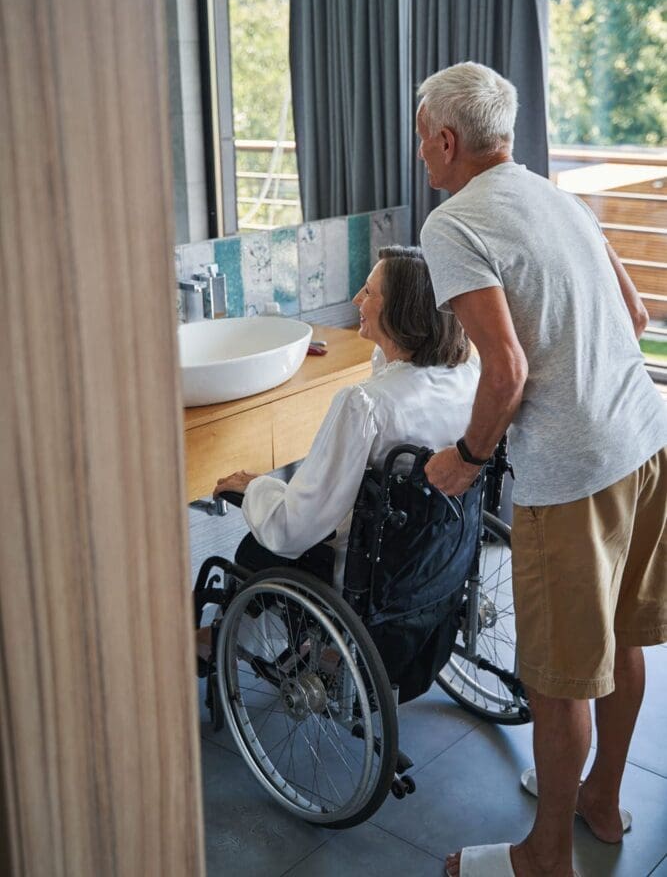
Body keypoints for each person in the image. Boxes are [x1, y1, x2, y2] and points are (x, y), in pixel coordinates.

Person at [416, 61, 667, 877]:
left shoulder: (452, 223)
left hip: (572, 474)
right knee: (622, 639)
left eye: (423, 140)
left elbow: (505, 372)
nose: (423, 155)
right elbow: (631, 316)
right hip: (646, 440)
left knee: (557, 682)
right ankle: (599, 798)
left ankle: (543, 856)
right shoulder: (555, 195)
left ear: (446, 140)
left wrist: (467, 457)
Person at [211, 245, 479, 591]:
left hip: (370, 571)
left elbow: (294, 528)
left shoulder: (365, 404)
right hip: (435, 565)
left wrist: (256, 488)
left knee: (252, 552)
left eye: (368, 292)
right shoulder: (470, 375)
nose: (356, 299)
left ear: (399, 309)